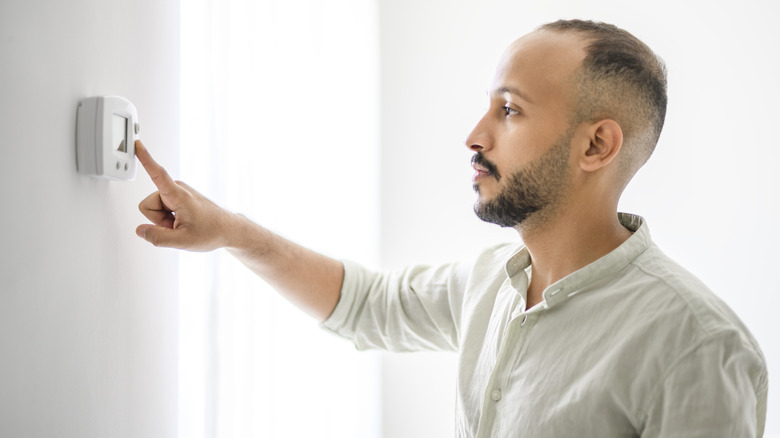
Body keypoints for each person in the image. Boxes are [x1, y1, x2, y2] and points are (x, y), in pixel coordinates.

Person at [135, 19, 767, 437]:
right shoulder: (489, 282)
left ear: (596, 145)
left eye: (509, 109)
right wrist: (230, 231)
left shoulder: (698, 346)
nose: (474, 136)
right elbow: (366, 305)